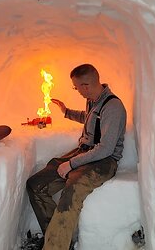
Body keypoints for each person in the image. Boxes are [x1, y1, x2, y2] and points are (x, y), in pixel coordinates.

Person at [26, 63, 127, 250]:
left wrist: (72, 164)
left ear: (86, 85)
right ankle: (55, 238)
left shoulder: (113, 107)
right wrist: (66, 112)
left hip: (104, 161)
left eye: (77, 87)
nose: (77, 91)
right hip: (85, 153)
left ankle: (55, 247)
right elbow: (90, 119)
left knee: (71, 191)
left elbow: (105, 149)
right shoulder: (93, 100)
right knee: (35, 185)